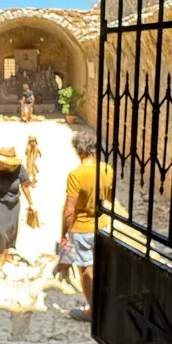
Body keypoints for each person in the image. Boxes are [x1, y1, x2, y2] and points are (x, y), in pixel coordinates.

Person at [56, 129, 113, 322]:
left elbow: (69, 210)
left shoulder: (76, 175)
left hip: (81, 228)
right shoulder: (107, 169)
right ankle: (104, 303)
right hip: (102, 225)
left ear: (78, 150)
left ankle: (92, 310)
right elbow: (110, 198)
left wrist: (64, 234)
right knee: (99, 265)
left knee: (86, 270)